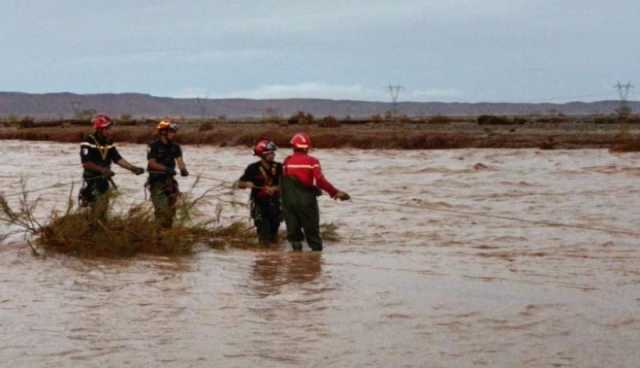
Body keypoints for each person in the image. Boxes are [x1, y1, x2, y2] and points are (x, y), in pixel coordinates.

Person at [280, 132, 349, 251]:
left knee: (294, 234)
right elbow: (320, 181)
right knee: (312, 233)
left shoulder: (287, 162)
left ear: (293, 146)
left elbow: (283, 183)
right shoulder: (312, 161)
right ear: (307, 147)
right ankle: (316, 262)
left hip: (288, 203)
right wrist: (335, 192)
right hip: (306, 202)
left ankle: (295, 262)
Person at [79, 114, 145, 219]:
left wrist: (133, 168)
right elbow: (86, 163)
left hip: (104, 181)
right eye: (108, 128)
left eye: (110, 128)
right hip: (91, 181)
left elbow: (118, 159)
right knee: (96, 211)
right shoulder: (88, 141)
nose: (110, 131)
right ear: (100, 129)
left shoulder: (109, 142)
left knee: (102, 211)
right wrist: (103, 170)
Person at [237, 138, 283, 245]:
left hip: (276, 205)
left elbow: (286, 185)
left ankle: (272, 258)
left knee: (274, 233)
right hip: (259, 205)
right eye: (270, 153)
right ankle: (263, 258)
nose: (273, 155)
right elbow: (240, 183)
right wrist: (247, 184)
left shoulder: (280, 167)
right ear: (262, 155)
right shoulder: (252, 168)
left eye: (273, 153)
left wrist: (274, 189)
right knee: (263, 235)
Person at [146, 120, 189, 228]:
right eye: (171, 131)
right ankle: (158, 236)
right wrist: (166, 169)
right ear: (163, 132)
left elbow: (179, 160)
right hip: (157, 183)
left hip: (171, 183)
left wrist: (183, 170)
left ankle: (167, 234)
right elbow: (152, 163)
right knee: (161, 211)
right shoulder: (153, 146)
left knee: (171, 211)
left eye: (174, 132)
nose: (174, 134)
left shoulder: (176, 146)